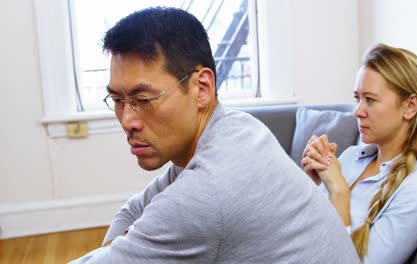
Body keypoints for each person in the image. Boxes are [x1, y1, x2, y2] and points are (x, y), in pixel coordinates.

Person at [71, 7, 359, 263]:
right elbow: (133, 209)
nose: (128, 120)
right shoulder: (238, 127)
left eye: (143, 100)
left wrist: (122, 250)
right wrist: (120, 248)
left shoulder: (207, 191)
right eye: (118, 101)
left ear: (202, 88)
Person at [302, 43, 417, 263]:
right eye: (358, 98)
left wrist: (339, 192)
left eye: (370, 99)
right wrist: (309, 184)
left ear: (410, 106)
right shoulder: (350, 157)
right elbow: (304, 230)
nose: (357, 111)